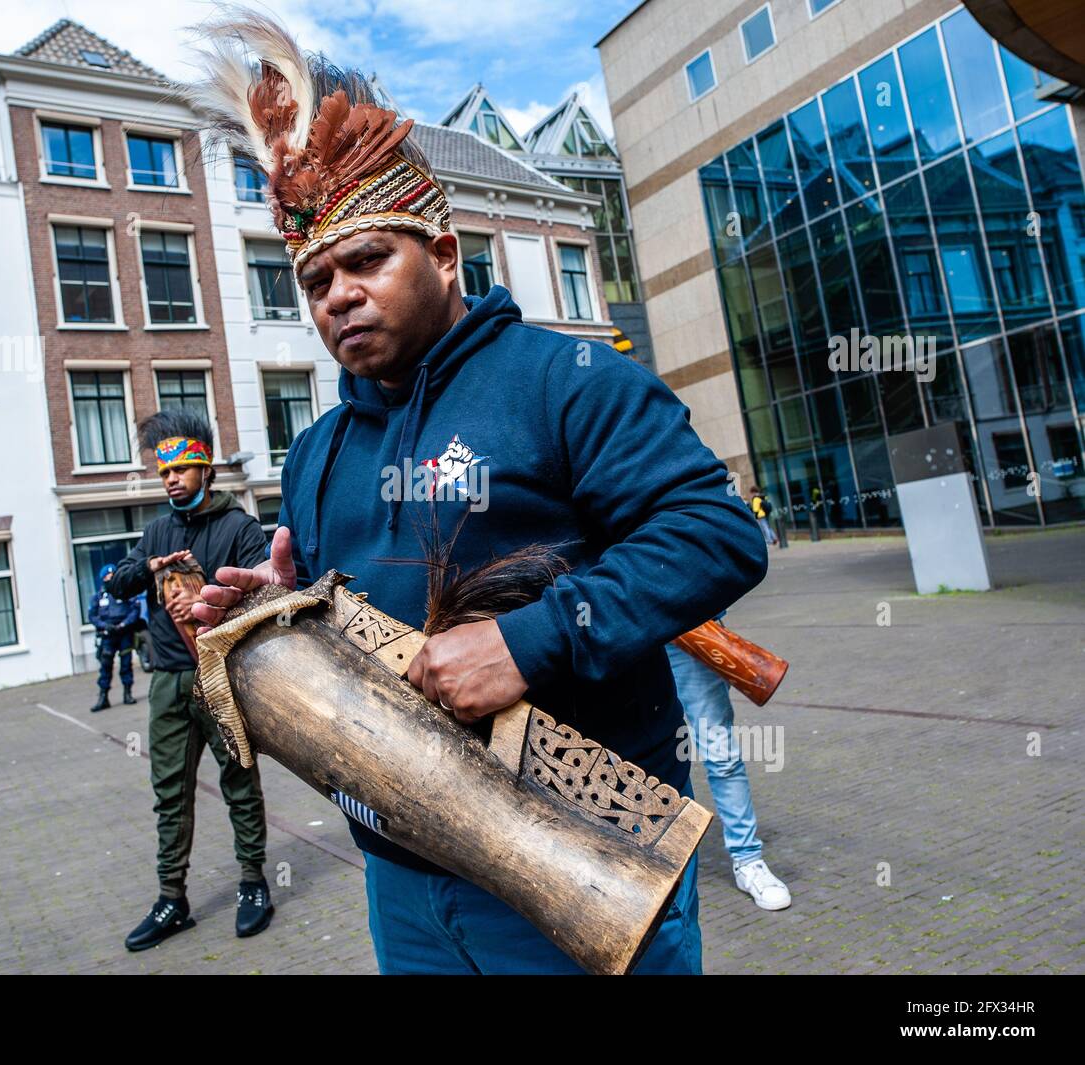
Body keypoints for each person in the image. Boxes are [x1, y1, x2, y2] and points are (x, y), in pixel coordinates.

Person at [186, 11, 769, 975]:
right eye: (315, 277)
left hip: (579, 863)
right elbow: (352, 635)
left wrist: (526, 642)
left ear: (446, 254)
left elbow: (715, 535)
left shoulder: (566, 378)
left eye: (368, 259)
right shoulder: (316, 453)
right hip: (401, 881)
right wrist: (275, 619)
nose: (338, 293)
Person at [107, 408, 275, 950]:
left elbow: (265, 601)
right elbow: (119, 584)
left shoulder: (240, 528)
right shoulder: (157, 528)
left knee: (239, 782)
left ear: (205, 467)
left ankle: (253, 883)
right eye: (162, 472)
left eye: (180, 467)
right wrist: (151, 568)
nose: (171, 478)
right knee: (169, 794)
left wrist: (205, 595)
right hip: (168, 682)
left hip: (223, 677)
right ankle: (171, 898)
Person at [667, 629, 791, 911]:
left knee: (721, 754)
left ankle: (748, 861)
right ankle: (641, 856)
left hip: (688, 632)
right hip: (622, 629)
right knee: (630, 754)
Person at [87, 563, 140, 712]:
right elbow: (92, 615)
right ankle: (103, 698)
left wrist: (124, 624)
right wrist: (104, 626)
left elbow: (135, 610)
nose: (111, 579)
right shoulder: (99, 596)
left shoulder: (126, 593)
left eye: (113, 576)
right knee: (105, 666)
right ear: (103, 578)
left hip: (124, 633)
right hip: (108, 635)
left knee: (126, 664)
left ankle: (128, 694)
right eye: (108, 577)